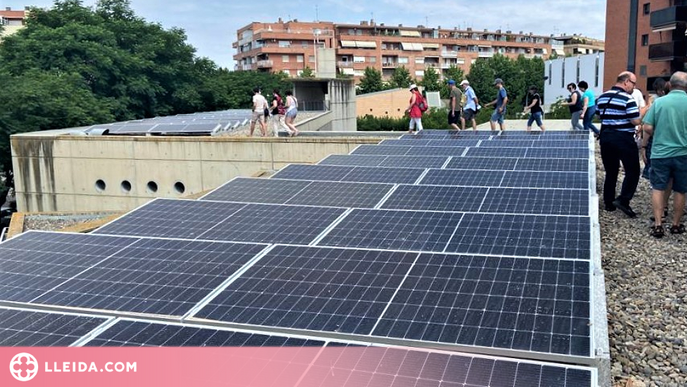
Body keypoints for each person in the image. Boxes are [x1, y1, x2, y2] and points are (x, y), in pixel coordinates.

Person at [642, 71, 687, 238]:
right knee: (681, 190)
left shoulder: (659, 102)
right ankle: (676, 224)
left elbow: (646, 127)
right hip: (683, 153)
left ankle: (658, 224)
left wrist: (659, 132)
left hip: (660, 152)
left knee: (658, 187)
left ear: (670, 84)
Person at [596, 71, 643, 218]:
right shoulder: (627, 99)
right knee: (633, 170)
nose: (634, 87)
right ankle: (624, 199)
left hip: (606, 137)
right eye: (633, 83)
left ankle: (609, 202)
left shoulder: (602, 97)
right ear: (626, 82)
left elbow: (599, 115)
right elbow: (636, 121)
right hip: (623, 138)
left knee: (611, 171)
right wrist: (645, 110)